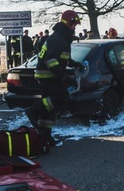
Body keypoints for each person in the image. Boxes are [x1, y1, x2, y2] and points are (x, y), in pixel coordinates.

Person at [24, 10, 82, 146]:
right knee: (61, 99)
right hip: (48, 76)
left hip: (49, 75)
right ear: (69, 23)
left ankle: (45, 136)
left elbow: (61, 56)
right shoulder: (58, 38)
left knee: (49, 108)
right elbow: (50, 59)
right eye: (74, 24)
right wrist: (64, 76)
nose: (75, 27)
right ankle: (33, 110)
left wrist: (74, 63)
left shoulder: (61, 37)